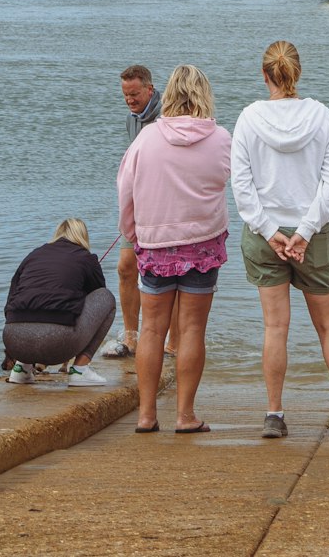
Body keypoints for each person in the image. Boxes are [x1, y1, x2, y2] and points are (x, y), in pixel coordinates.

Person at [231, 40, 329, 441]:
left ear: (265, 75)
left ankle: (274, 413)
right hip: (314, 235)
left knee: (275, 327)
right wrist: (305, 232)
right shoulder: (321, 115)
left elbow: (242, 187)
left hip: (264, 236)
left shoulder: (248, 118)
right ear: (297, 73)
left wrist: (272, 232)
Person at [117, 64, 231, 433]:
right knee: (193, 330)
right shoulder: (221, 139)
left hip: (155, 245)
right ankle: (185, 416)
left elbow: (125, 191)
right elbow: (235, 182)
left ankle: (147, 415)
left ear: (167, 94)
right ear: (204, 95)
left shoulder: (146, 139)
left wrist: (132, 234)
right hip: (202, 245)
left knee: (151, 330)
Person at [3, 218, 115, 387]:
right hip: (58, 344)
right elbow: (97, 297)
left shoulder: (34, 254)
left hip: (13, 341)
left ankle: (22, 369)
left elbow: (11, 300)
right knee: (107, 298)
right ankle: (80, 370)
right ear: (82, 236)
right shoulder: (86, 257)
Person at [103, 65, 163, 359]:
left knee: (168, 274)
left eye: (135, 94)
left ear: (149, 90)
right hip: (137, 206)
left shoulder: (167, 115)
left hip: (164, 207)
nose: (130, 100)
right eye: (126, 95)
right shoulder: (131, 121)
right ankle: (131, 337)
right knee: (126, 267)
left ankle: (171, 344)